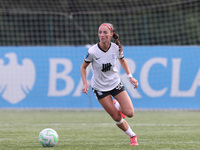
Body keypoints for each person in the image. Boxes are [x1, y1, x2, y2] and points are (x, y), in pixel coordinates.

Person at [80, 23, 139, 146]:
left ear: (111, 34)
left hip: (115, 83)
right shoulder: (92, 51)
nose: (102, 35)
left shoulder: (116, 48)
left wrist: (130, 77)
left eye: (105, 32)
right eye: (100, 32)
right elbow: (83, 67)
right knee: (117, 117)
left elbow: (122, 61)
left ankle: (115, 103)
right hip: (100, 88)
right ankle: (132, 136)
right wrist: (85, 83)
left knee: (130, 113)